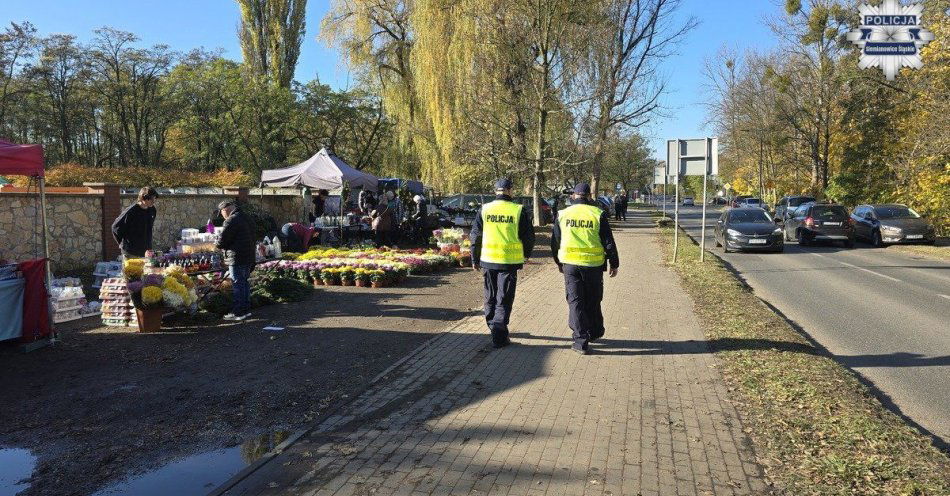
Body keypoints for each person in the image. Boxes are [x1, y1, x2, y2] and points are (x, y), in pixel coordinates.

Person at [551, 183, 619, 355]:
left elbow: (555, 242)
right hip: (593, 266)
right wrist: (614, 263)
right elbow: (608, 241)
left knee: (575, 302)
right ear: (589, 196)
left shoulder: (563, 214)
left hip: (570, 266)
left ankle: (580, 340)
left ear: (574, 196)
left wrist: (559, 262)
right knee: (593, 300)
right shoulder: (597, 214)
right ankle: (594, 331)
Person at [470, 178, 536, 348]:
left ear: (495, 191)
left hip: (488, 261)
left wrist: (474, 259)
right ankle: (499, 334)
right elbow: (528, 237)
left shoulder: (484, 209)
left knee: (490, 296)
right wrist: (526, 255)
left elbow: (476, 236)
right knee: (504, 298)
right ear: (510, 190)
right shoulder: (518, 210)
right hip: (508, 262)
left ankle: (493, 327)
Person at [215, 200, 256, 321]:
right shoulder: (247, 217)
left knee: (237, 284)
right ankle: (246, 310)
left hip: (236, 257)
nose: (222, 216)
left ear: (224, 210)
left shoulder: (231, 220)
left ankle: (238, 312)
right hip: (248, 256)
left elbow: (222, 240)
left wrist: (216, 244)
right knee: (244, 283)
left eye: (221, 213)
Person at [112, 187, 159, 258]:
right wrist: (121, 244)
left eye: (155, 198)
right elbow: (115, 227)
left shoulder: (152, 210)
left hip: (146, 252)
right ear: (144, 198)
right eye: (152, 199)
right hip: (131, 253)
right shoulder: (131, 211)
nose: (153, 201)